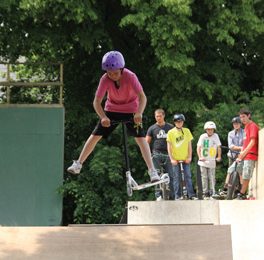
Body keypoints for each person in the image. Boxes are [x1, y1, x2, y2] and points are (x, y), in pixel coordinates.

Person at [67, 50, 160, 183]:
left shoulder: (130, 76)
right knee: (95, 136)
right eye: (109, 73)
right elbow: (96, 102)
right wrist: (103, 116)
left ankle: (152, 171)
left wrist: (139, 112)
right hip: (112, 109)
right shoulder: (105, 79)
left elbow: (142, 97)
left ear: (121, 69)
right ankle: (78, 164)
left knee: (140, 138)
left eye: (115, 73)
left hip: (132, 109)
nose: (112, 76)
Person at [167, 114, 198, 200]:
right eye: (177, 122)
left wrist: (189, 157)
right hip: (176, 160)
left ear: (183, 122)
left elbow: (189, 145)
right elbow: (169, 146)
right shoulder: (171, 132)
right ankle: (177, 196)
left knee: (188, 176)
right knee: (176, 178)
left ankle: (191, 195)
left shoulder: (187, 131)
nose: (179, 123)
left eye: (180, 122)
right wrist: (172, 159)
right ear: (175, 122)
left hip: (185, 159)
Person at [146, 109, 174, 201]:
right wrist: (148, 153)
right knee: (156, 175)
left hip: (168, 154)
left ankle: (172, 195)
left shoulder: (170, 127)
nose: (158, 118)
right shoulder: (152, 128)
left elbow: (174, 141)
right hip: (156, 154)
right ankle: (158, 195)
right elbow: (146, 142)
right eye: (157, 116)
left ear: (163, 116)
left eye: (160, 116)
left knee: (171, 175)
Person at [215, 117, 244, 198]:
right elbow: (231, 146)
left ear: (240, 124)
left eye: (238, 123)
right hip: (232, 155)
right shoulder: (230, 133)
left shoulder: (244, 132)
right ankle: (226, 189)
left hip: (242, 155)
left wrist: (241, 149)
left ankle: (239, 190)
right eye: (234, 124)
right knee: (231, 171)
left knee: (240, 173)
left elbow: (246, 143)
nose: (236, 125)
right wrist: (241, 148)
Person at [234, 108, 258, 200]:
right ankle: (238, 189)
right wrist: (242, 152)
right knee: (236, 168)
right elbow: (245, 142)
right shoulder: (246, 127)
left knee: (247, 174)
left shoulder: (252, 126)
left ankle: (242, 193)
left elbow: (252, 141)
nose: (242, 119)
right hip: (244, 154)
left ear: (249, 116)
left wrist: (244, 152)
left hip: (250, 155)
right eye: (241, 117)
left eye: (244, 117)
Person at [197, 121, 222, 199]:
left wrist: (219, 156)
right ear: (206, 130)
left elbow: (218, 147)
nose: (210, 131)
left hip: (212, 161)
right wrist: (200, 157)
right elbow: (198, 147)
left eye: (211, 129)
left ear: (214, 130)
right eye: (208, 129)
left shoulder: (215, 136)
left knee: (212, 177)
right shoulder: (202, 136)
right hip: (204, 161)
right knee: (204, 177)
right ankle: (206, 192)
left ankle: (212, 191)